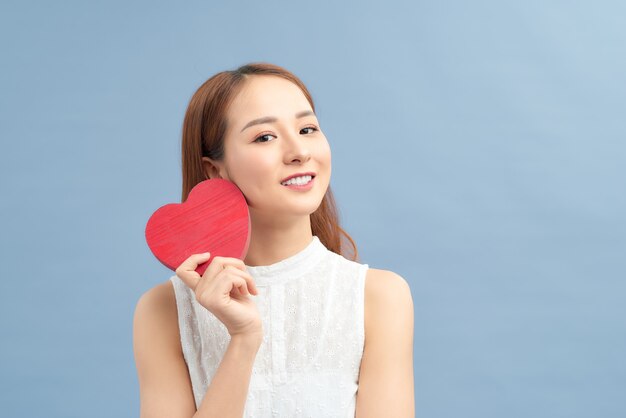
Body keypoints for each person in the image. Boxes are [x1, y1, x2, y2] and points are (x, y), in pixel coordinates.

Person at [133, 62, 415, 418]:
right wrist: (243, 340)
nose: (299, 151)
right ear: (214, 170)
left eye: (308, 128)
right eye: (265, 137)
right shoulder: (164, 310)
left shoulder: (378, 297)